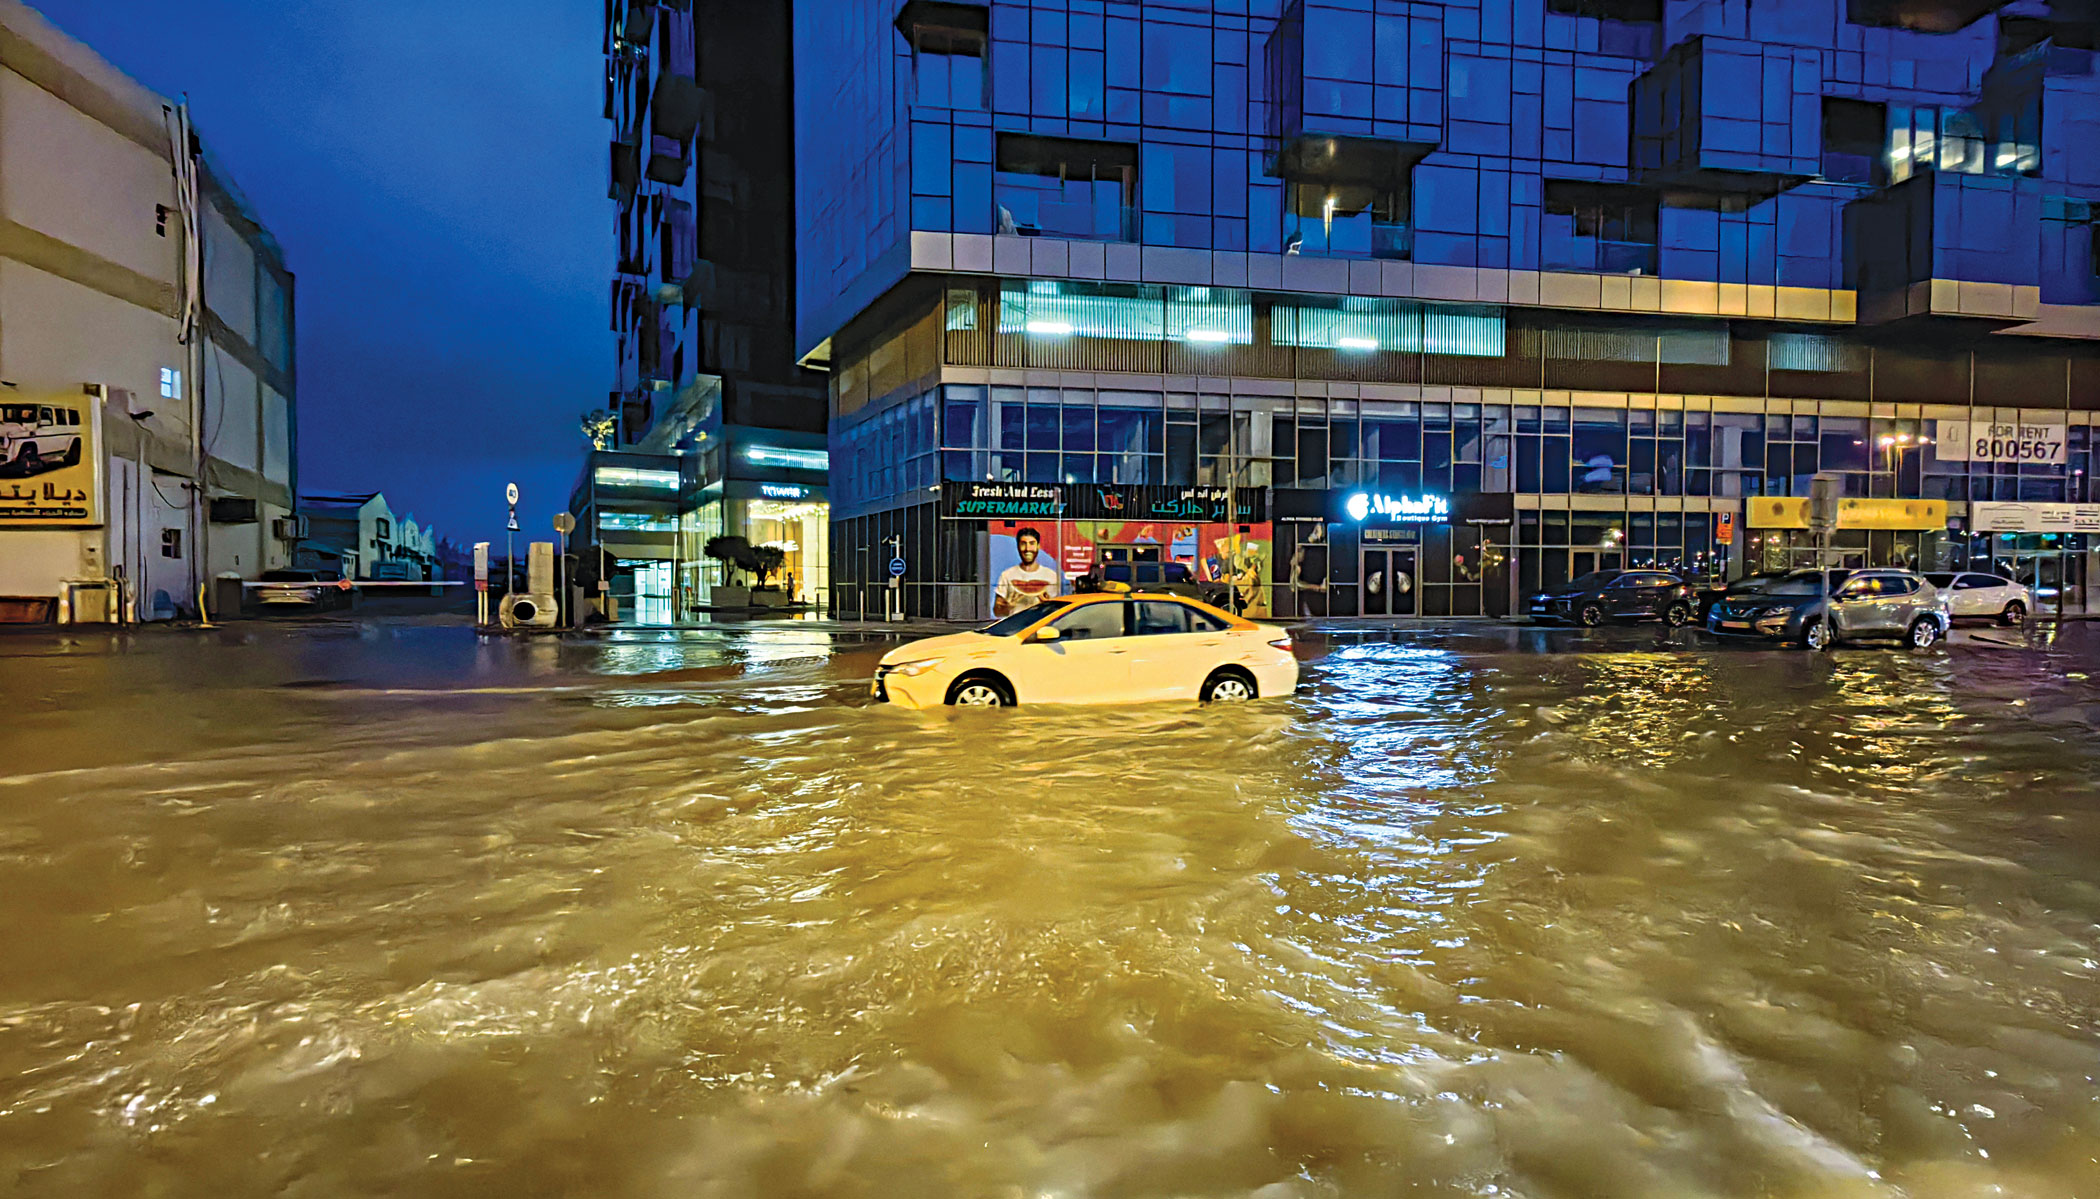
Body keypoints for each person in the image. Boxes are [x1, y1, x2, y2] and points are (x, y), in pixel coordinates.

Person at [993, 527, 1061, 616]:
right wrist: (1007, 607)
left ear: (1038, 546)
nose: (1027, 548)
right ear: (1018, 546)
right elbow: (997, 613)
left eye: (1032, 543)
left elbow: (1057, 613)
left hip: (1041, 626)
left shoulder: (1051, 576)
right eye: (1023, 544)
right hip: (1015, 627)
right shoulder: (1007, 575)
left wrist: (1047, 605)